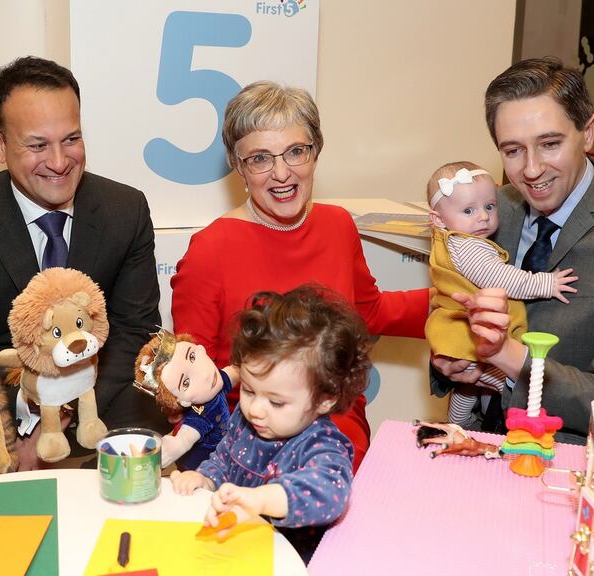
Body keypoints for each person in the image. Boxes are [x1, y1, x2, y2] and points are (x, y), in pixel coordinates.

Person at [432, 57, 594, 442]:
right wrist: (445, 361)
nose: (532, 170)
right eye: (513, 151)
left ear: (587, 132)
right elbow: (448, 301)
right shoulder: (491, 211)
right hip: (475, 440)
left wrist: (506, 356)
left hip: (568, 459)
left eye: (550, 144)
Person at [170, 81, 428, 471]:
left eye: (295, 151)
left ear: (315, 152)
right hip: (249, 439)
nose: (281, 173)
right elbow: (189, 379)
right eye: (260, 158)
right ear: (238, 166)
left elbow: (367, 311)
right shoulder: (210, 248)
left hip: (335, 422)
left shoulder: (338, 225)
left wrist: (453, 303)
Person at [0, 56, 166, 467]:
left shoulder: (125, 210)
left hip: (104, 400)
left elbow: (134, 329)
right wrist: (28, 415)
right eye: (37, 145)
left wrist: (69, 406)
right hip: (3, 409)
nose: (59, 162)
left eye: (71, 139)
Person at [170, 286, 370, 563]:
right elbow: (225, 458)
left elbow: (331, 492)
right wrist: (205, 478)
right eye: (249, 391)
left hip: (288, 560)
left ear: (325, 400)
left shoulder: (322, 444)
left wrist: (261, 500)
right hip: (236, 550)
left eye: (276, 402)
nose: (255, 410)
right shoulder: (245, 419)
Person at [425, 161, 577, 426]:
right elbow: (502, 279)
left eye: (489, 207)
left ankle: (458, 423)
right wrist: (546, 283)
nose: (483, 216)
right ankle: (462, 423)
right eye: (469, 210)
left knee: (470, 384)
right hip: (469, 332)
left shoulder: (453, 240)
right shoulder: (469, 247)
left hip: (462, 332)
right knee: (495, 378)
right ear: (438, 219)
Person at [133, 330, 239, 470]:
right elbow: (183, 440)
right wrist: (168, 451)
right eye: (185, 383)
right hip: (200, 467)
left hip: (225, 453)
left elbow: (236, 371)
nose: (204, 374)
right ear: (183, 401)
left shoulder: (217, 381)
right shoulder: (201, 414)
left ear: (199, 348)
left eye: (192, 356)